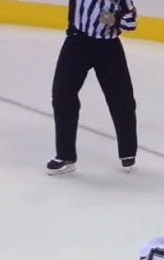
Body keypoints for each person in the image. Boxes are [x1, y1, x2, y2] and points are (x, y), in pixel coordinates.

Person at [46, 0, 139, 175]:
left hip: (109, 47)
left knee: (122, 100)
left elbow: (131, 22)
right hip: (77, 42)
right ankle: (66, 156)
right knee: (62, 95)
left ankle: (127, 151)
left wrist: (115, 19)